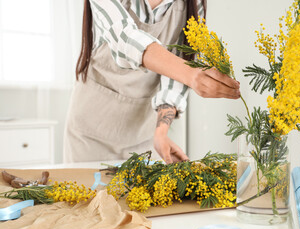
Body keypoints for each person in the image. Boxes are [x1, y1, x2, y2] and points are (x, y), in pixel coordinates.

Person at [64, 0, 241, 164]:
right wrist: (191, 74)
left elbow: (174, 74)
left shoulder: (193, 4)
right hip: (90, 134)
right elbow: (124, 38)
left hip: (143, 133)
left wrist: (161, 132)